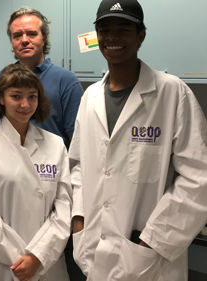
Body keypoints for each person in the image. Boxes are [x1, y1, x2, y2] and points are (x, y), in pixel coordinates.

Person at [70, 0, 207, 280]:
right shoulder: (90, 97)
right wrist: (79, 221)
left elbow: (198, 178)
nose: (112, 38)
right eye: (105, 30)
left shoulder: (172, 93)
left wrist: (150, 241)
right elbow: (78, 166)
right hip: (94, 251)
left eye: (123, 29)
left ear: (140, 35)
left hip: (150, 260)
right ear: (97, 37)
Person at [0, 64, 72, 281]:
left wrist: (38, 257)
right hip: (3, 263)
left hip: (47, 262)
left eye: (32, 96)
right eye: (16, 96)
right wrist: (22, 259)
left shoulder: (55, 145)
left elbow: (64, 208)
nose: (25, 104)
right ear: (1, 98)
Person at [0, 8, 83, 149]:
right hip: (5, 164)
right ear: (12, 41)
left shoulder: (66, 81)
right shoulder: (0, 79)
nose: (24, 40)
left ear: (44, 38)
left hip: (50, 166)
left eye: (32, 34)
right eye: (17, 35)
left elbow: (77, 141)